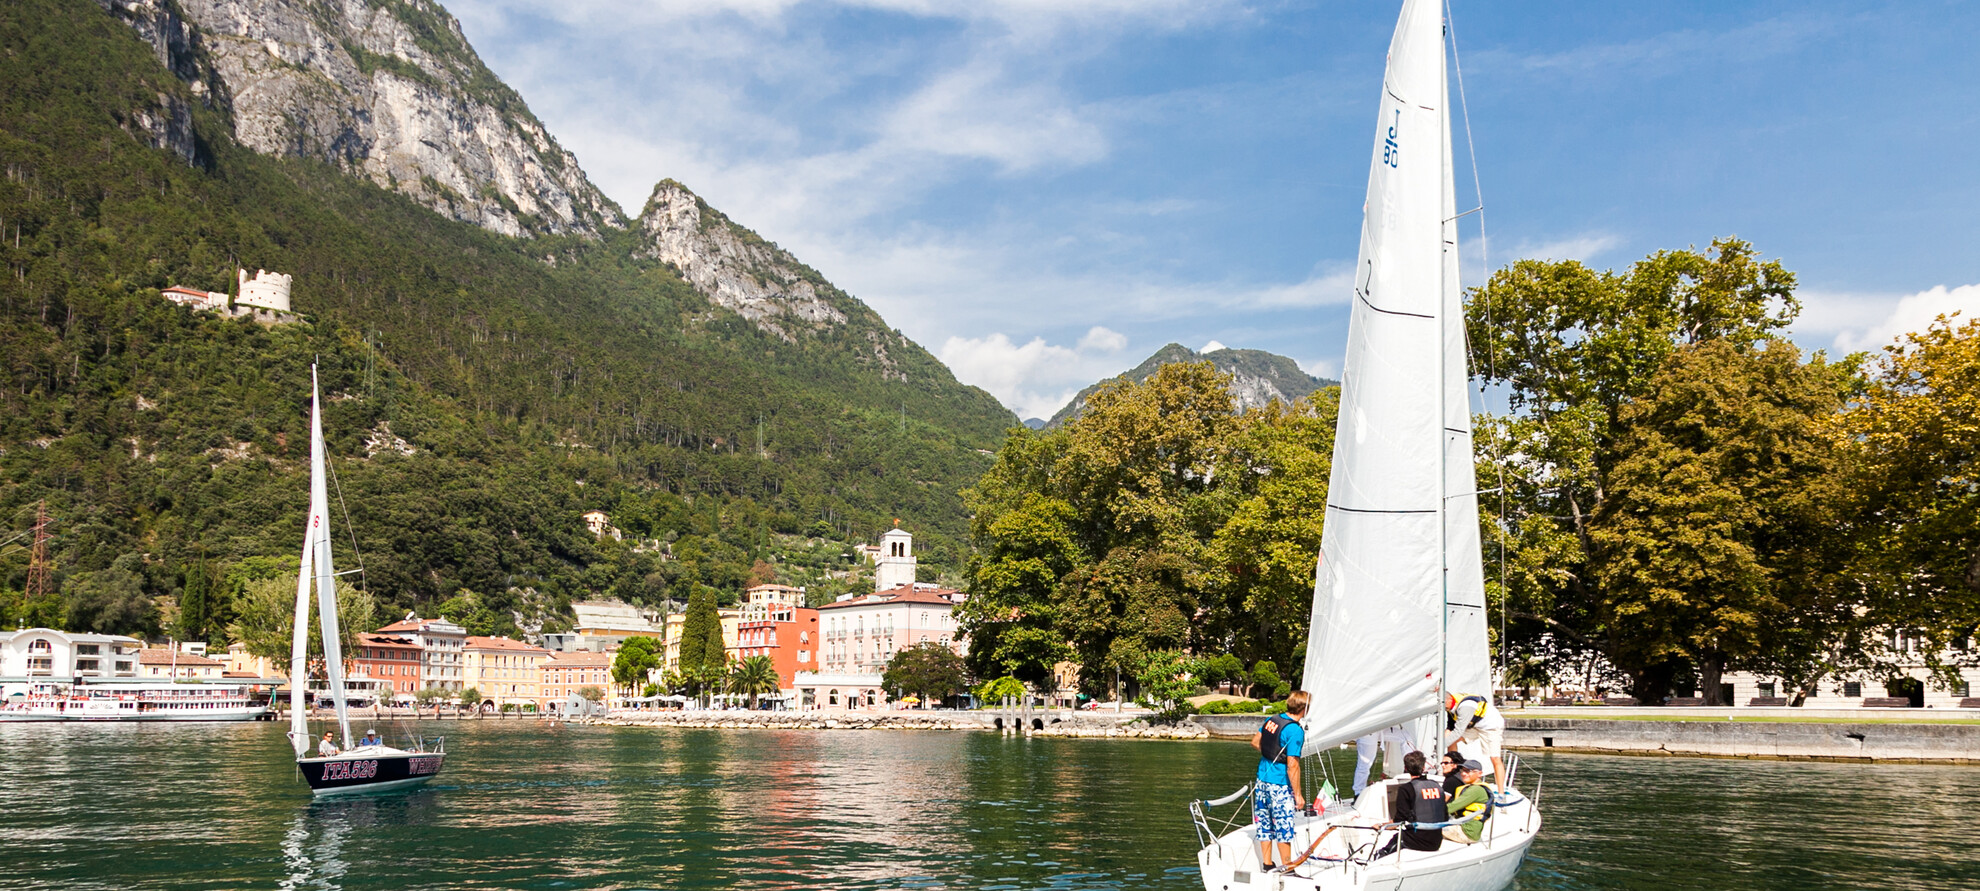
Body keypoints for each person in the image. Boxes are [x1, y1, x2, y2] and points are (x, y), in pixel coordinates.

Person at [1248, 690, 1310, 873]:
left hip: (1262, 779)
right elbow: (1293, 765)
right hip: (1280, 784)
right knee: (1284, 825)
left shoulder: (1272, 720)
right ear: (1304, 709)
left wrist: (1270, 754)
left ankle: (1267, 864)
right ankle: (1287, 867)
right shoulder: (1295, 730)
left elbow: (1254, 742)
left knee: (1264, 822)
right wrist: (1298, 795)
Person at [1383, 751, 1446, 854]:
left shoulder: (1406, 789)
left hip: (1417, 840)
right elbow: (1444, 815)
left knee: (1393, 841)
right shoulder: (1436, 786)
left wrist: (1382, 825)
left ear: (1406, 768)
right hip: (1436, 840)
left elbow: (1399, 819)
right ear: (1423, 767)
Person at [1445, 692, 1507, 792]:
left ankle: (1501, 792)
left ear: (1449, 700)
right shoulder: (1449, 708)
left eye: (1442, 704)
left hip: (1490, 726)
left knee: (1495, 758)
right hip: (1474, 726)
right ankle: (1454, 772)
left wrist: (1440, 746)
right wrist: (1443, 740)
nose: (1441, 707)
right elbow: (1450, 727)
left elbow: (1458, 731)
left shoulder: (1465, 707)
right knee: (1451, 740)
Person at [1353, 723, 1419, 796]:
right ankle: (1358, 793)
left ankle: (1409, 769)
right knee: (1364, 764)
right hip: (1368, 731)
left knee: (1405, 736)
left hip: (1381, 727)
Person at [1442, 760, 1491, 846]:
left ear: (1479, 773)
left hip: (1466, 832)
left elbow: (1450, 808)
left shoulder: (1475, 790)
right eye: (1462, 770)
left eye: (1468, 771)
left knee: (1425, 829)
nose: (1464, 774)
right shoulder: (1476, 787)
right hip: (1470, 830)